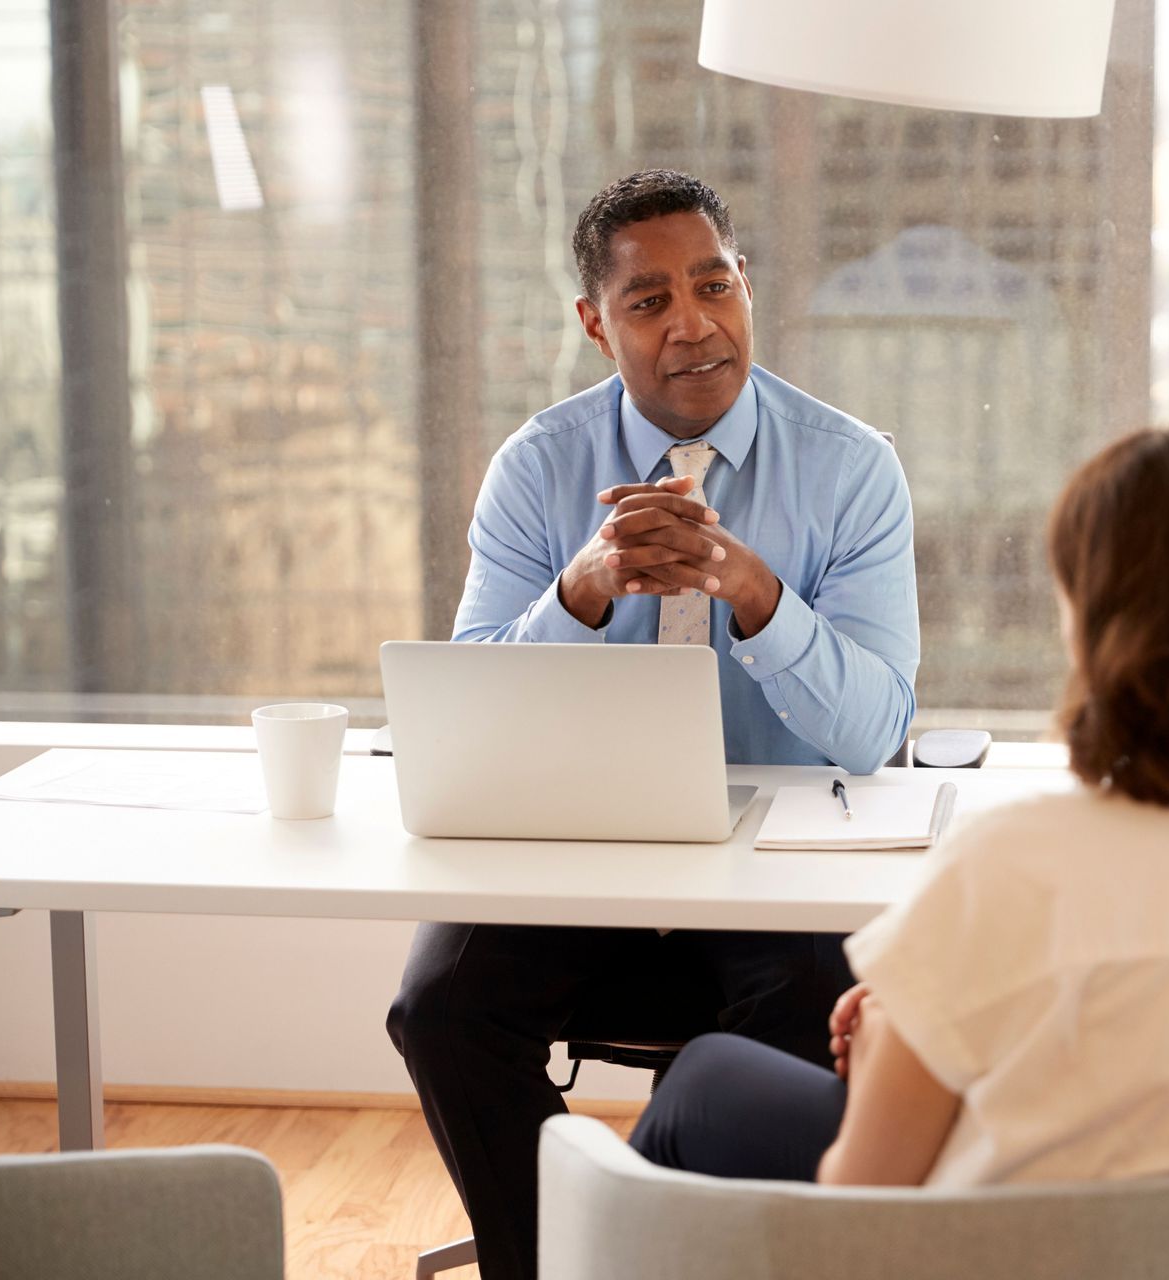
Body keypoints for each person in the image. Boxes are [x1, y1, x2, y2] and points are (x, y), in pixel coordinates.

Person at [628, 415, 1169, 1188]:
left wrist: (896, 1034)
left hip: (1013, 1244)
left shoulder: (1013, 867)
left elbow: (863, 1201)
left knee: (703, 1082)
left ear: (1103, 628)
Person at [387, 169, 919, 1280]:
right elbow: (471, 708)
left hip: (776, 876)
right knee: (439, 1007)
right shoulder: (539, 468)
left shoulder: (853, 468)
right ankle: (551, 1262)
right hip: (582, 860)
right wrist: (580, 595)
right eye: (648, 301)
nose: (693, 323)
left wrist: (761, 598)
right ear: (595, 322)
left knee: (806, 1019)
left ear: (747, 288)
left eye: (714, 284)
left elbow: (874, 729)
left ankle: (700, 1260)